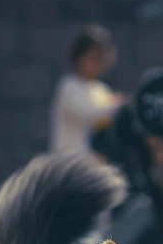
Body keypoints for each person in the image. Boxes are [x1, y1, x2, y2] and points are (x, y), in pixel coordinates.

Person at [50, 25, 126, 155]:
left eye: (101, 58)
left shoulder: (101, 89)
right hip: (69, 165)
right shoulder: (69, 85)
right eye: (93, 57)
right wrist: (116, 106)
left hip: (95, 166)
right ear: (79, 57)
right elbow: (88, 114)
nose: (97, 63)